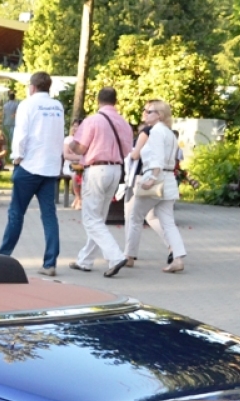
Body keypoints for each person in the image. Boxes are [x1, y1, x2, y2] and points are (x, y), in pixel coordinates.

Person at [0, 71, 64, 275]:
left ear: (32, 87)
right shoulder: (58, 106)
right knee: (49, 214)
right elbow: (59, 134)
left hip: (30, 165)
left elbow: (21, 133)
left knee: (16, 212)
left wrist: (17, 156)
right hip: (50, 167)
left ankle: (3, 256)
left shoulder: (27, 104)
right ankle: (50, 262)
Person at [65, 87, 133, 277]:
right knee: (99, 218)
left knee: (91, 218)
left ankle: (115, 256)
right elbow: (128, 151)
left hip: (96, 170)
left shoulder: (92, 121)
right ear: (115, 101)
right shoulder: (124, 123)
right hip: (116, 169)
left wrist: (71, 142)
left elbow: (79, 148)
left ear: (98, 100)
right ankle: (85, 260)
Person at [124, 100, 187, 273]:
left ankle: (129, 256)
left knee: (135, 216)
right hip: (168, 180)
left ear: (159, 114)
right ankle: (178, 258)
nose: (144, 114)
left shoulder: (157, 132)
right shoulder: (169, 133)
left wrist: (151, 178)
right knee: (167, 221)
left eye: (148, 111)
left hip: (155, 179)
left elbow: (157, 158)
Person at [62, 118, 83, 209]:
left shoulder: (85, 140)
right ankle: (78, 198)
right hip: (69, 166)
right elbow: (66, 156)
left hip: (82, 166)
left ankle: (79, 199)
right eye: (73, 126)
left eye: (77, 126)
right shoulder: (68, 139)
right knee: (75, 175)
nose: (75, 128)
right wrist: (80, 158)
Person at [0, 89, 20, 155]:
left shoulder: (5, 105)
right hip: (13, 123)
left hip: (6, 123)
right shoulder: (17, 104)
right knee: (12, 137)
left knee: (6, 137)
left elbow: (3, 114)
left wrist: (2, 122)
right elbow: (17, 114)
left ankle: (6, 150)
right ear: (14, 97)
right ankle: (12, 150)